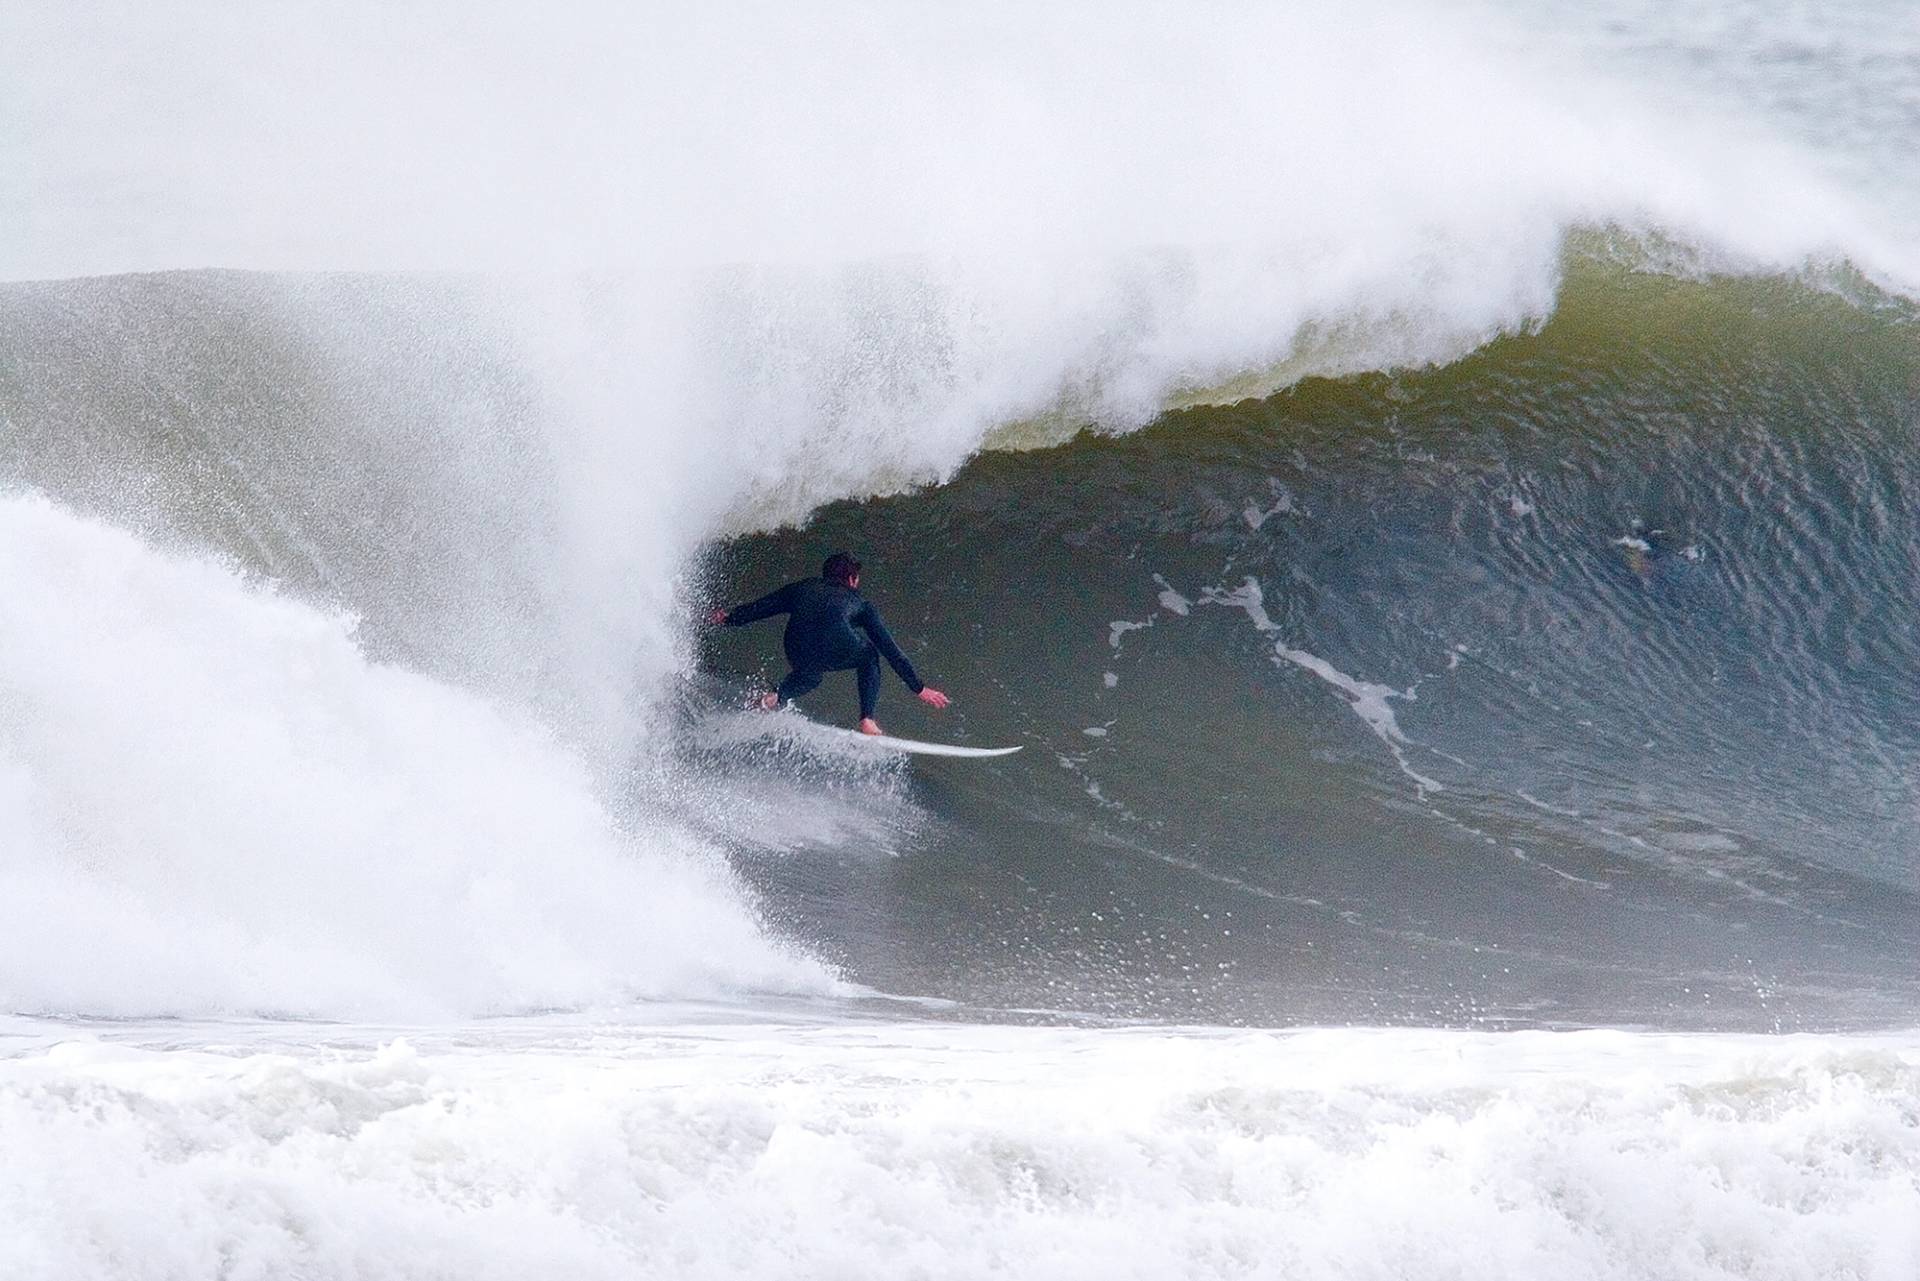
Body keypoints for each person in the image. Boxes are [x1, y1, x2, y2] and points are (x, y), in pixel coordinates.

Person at [709, 551, 950, 735]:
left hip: (795, 644)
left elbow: (764, 607)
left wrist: (729, 618)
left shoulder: (803, 587)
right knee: (869, 654)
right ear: (852, 579)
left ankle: (774, 697)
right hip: (835, 645)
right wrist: (918, 688)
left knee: (809, 675)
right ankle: (867, 719)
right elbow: (891, 650)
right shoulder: (860, 603)